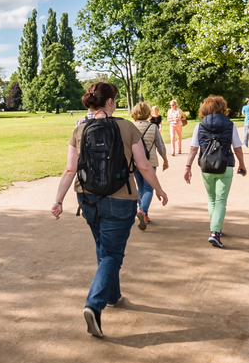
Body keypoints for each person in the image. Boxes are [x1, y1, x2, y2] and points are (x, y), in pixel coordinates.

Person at [51, 81, 168, 339]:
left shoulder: (79, 129)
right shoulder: (126, 127)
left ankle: (112, 296)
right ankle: (94, 304)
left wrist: (58, 200)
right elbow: (143, 166)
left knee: (103, 248)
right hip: (121, 198)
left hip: (87, 198)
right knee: (113, 254)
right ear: (111, 102)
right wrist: (158, 189)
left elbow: (70, 169)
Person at [183, 95, 247, 248]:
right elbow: (237, 147)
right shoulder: (230, 125)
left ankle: (215, 228)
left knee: (212, 198)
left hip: (206, 166)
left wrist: (188, 166)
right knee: (221, 200)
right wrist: (242, 164)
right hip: (226, 165)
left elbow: (193, 148)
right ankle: (215, 232)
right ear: (222, 108)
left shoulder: (199, 126)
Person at [131, 102, 169, 229]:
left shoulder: (131, 127)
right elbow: (160, 145)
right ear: (148, 113)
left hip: (135, 161)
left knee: (140, 187)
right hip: (150, 161)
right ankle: (143, 211)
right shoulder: (153, 127)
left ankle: (143, 212)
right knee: (148, 188)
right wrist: (165, 159)